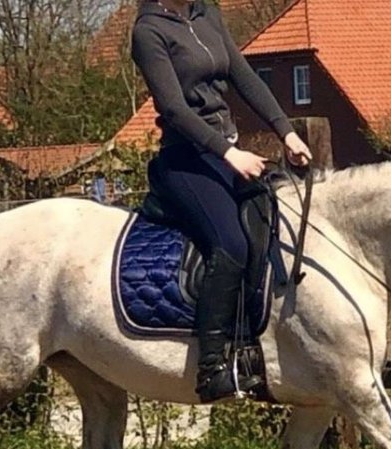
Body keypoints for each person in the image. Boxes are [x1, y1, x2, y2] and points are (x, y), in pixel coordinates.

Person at [131, 0, 312, 402]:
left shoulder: (206, 13)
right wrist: (229, 154)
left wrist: (286, 131)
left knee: (268, 224)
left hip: (225, 152)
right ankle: (211, 367)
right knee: (230, 242)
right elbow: (174, 110)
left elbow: (243, 75)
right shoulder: (148, 32)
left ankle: (256, 344)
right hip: (185, 159)